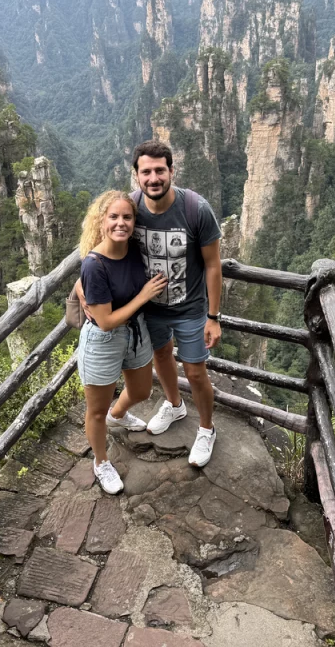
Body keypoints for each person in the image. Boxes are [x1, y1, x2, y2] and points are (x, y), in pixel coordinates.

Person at [130, 140, 223, 467]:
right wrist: (83, 283)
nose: (153, 178)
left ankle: (207, 428)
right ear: (136, 175)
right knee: (161, 357)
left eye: (160, 170)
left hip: (191, 308)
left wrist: (213, 316)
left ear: (171, 171)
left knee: (196, 373)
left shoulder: (196, 209)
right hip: (152, 307)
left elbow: (213, 264)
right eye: (146, 171)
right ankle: (174, 405)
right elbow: (105, 248)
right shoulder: (130, 208)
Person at [74, 190, 167, 494]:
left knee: (140, 390)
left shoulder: (134, 249)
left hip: (135, 332)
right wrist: (143, 296)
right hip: (104, 340)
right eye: (113, 217)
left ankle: (119, 415)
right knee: (96, 410)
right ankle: (101, 462)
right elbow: (106, 321)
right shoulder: (94, 264)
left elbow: (83, 282)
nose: (121, 223)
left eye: (127, 217)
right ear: (101, 221)